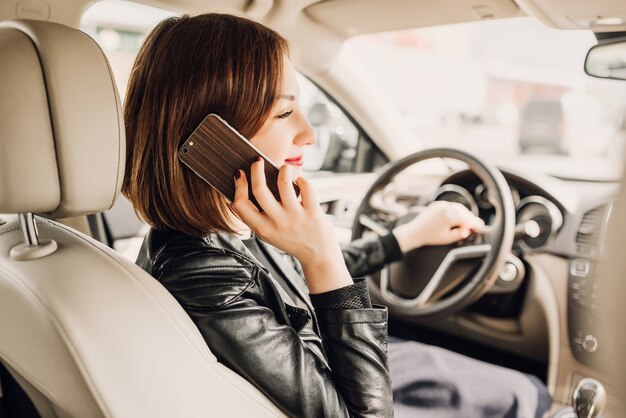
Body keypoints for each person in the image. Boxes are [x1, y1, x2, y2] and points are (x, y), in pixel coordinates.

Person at [122, 13, 552, 418]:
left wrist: (404, 239)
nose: (309, 134)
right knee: (524, 395)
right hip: (344, 380)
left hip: (333, 356)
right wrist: (322, 256)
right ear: (212, 134)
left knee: (521, 390)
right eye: (285, 113)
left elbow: (289, 274)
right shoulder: (204, 275)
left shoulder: (229, 221)